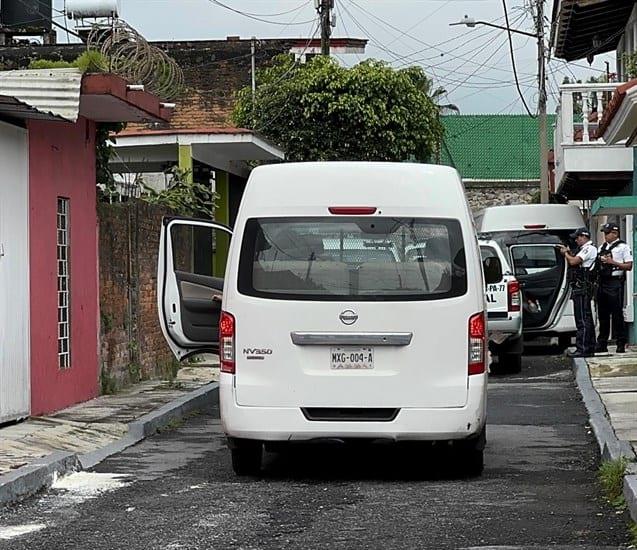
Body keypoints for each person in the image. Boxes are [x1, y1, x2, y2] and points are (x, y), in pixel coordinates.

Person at [559, 227, 597, 358]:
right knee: (585, 318)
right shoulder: (583, 249)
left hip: (583, 287)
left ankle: (583, 348)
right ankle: (589, 346)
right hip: (581, 287)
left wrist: (565, 253)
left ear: (584, 236)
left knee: (582, 319)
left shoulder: (589, 248)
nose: (576, 240)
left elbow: (573, 261)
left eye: (578, 237)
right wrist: (569, 252)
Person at [596, 223, 633, 354]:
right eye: (604, 233)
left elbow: (629, 266)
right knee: (603, 315)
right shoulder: (602, 247)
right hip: (603, 281)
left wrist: (613, 263)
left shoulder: (623, 247)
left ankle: (620, 342)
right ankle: (602, 343)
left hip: (615, 282)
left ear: (615, 233)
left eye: (607, 233)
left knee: (617, 314)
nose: (605, 236)